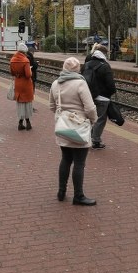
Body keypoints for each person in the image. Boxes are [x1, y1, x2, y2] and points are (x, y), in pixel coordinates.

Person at [49, 57, 98, 206]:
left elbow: (52, 106)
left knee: (65, 159)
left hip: (63, 127)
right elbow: (90, 108)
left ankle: (61, 192)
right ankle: (78, 196)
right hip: (79, 128)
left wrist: (63, 115)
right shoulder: (80, 84)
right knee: (79, 163)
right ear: (78, 69)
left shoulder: (55, 83)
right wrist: (93, 120)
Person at [82, 43, 116, 150]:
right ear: (103, 54)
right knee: (100, 119)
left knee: (88, 118)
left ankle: (85, 137)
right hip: (102, 98)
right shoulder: (105, 66)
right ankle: (95, 140)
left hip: (88, 95)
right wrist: (110, 93)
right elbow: (110, 84)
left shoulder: (87, 64)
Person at [10, 43, 35, 131]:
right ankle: (28, 123)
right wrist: (31, 71)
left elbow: (12, 73)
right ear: (24, 51)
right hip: (26, 84)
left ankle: (20, 123)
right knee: (27, 103)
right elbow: (28, 75)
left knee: (20, 103)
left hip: (18, 83)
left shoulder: (12, 59)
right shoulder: (25, 60)